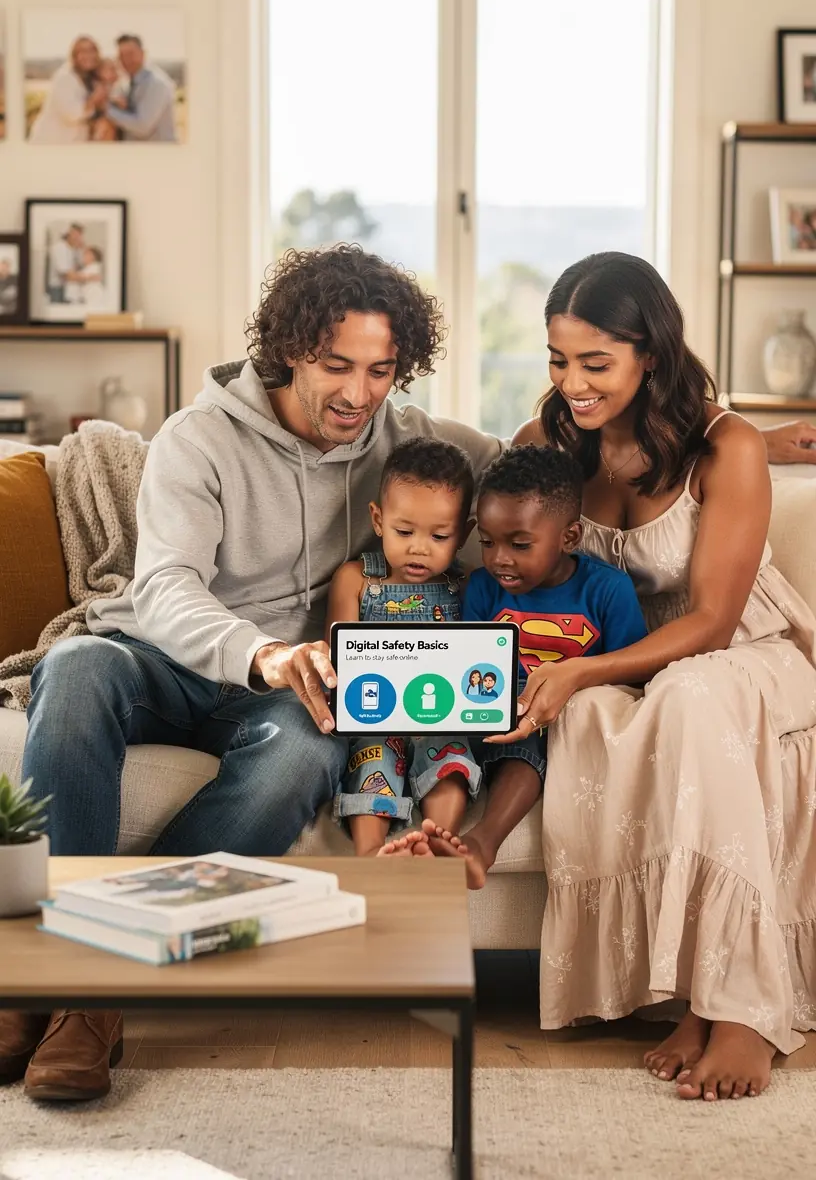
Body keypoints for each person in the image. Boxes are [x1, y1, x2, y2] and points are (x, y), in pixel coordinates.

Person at [0, 244, 501, 1102]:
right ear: (290, 349)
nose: (358, 392)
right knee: (77, 667)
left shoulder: (406, 440)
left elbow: (535, 460)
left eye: (381, 369)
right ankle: (52, 976)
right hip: (168, 657)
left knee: (311, 751)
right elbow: (161, 588)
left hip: (284, 694)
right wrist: (262, 651)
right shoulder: (203, 438)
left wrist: (733, 434)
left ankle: (87, 994)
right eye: (336, 364)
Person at [511, 251, 816, 1101]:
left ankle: (747, 1010)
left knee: (688, 695)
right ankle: (694, 996)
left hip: (743, 654)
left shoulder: (725, 446)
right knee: (588, 717)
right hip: (629, 658)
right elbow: (494, 520)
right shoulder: (550, 444)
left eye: (596, 364)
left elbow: (714, 623)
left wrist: (584, 669)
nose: (574, 382)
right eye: (559, 360)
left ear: (652, 353)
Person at [423, 444, 647, 877]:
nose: (499, 558)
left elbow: (632, 672)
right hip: (488, 711)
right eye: (487, 542)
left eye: (520, 544)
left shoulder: (607, 590)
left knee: (523, 745)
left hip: (550, 725)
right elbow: (469, 662)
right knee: (438, 739)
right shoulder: (484, 588)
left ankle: (482, 844)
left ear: (569, 537)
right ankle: (432, 838)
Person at [326, 437, 482, 857]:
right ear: (378, 520)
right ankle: (372, 853)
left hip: (441, 716)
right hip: (375, 716)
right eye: (404, 531)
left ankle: (433, 840)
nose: (418, 547)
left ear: (464, 532)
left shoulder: (467, 586)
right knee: (372, 761)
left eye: (439, 535)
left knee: (450, 762)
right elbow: (339, 657)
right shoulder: (356, 579)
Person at [29, 36, 108, 143]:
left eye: (92, 51)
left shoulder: (91, 79)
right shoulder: (64, 78)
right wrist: (94, 100)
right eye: (83, 51)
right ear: (74, 55)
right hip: (51, 143)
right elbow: (72, 114)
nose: (89, 56)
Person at [105, 34, 177, 142]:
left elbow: (142, 126)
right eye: (122, 55)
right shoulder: (126, 83)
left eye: (130, 54)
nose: (126, 60)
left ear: (143, 54)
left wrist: (106, 110)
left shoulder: (156, 83)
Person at [46, 223, 85, 304]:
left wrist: (81, 249)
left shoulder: (74, 249)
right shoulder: (59, 248)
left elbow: (80, 266)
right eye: (74, 234)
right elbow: (67, 275)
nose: (77, 237)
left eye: (79, 235)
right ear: (68, 234)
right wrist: (90, 278)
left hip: (68, 288)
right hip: (57, 288)